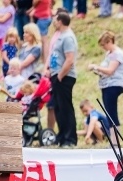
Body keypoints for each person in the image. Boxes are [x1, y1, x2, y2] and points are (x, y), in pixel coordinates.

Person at [89, 30, 123, 142]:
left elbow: (110, 70)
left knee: (112, 114)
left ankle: (116, 141)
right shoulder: (109, 54)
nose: (103, 47)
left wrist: (96, 67)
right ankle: (114, 139)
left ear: (109, 41)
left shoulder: (117, 54)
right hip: (106, 85)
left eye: (104, 44)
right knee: (109, 113)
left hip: (113, 85)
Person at [48, 11, 78, 147]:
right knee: (59, 107)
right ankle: (61, 136)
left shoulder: (68, 37)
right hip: (56, 75)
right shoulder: (60, 36)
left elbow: (70, 59)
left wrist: (60, 75)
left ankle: (70, 138)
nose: (54, 22)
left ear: (60, 21)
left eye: (55, 20)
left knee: (66, 107)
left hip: (65, 77)